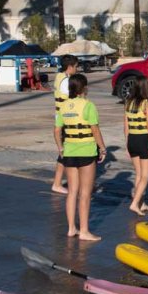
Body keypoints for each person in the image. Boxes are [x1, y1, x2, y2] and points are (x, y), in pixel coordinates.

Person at [54, 73, 106, 241]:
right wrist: (102, 148)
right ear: (84, 88)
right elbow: (95, 130)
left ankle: (71, 228)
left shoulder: (63, 106)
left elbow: (56, 130)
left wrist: (60, 148)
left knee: (72, 192)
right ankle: (84, 231)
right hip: (86, 151)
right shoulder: (88, 105)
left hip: (69, 151)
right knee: (85, 193)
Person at [124, 77, 148, 216]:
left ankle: (141, 202)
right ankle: (134, 204)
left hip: (132, 139)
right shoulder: (146, 103)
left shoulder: (128, 102)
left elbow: (125, 126)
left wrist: (127, 143)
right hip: (144, 139)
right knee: (145, 176)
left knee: (138, 174)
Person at [51, 55, 79, 194]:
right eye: (76, 66)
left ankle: (58, 183)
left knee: (64, 152)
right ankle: (61, 183)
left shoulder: (59, 77)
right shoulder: (66, 81)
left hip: (61, 118)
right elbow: (72, 99)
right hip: (65, 120)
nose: (77, 69)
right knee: (65, 152)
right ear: (70, 67)